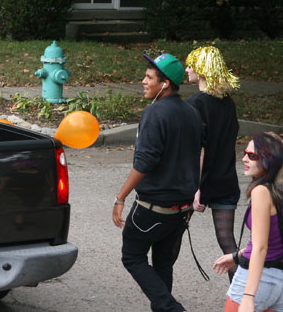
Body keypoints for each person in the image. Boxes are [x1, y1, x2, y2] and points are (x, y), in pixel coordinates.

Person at [113, 53, 204, 312]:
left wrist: (120, 197)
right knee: (163, 264)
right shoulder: (192, 112)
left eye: (149, 78)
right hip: (181, 209)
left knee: (132, 256)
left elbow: (144, 162)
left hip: (153, 208)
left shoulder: (154, 112)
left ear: (164, 84)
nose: (143, 81)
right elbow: (201, 153)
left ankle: (172, 308)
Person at [186, 46, 241, 281]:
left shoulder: (195, 103)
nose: (187, 69)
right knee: (228, 243)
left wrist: (196, 188)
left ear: (201, 70)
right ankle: (242, 296)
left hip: (201, 182)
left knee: (171, 235)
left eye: (191, 65)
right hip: (226, 181)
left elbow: (199, 149)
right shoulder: (228, 103)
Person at [213, 132, 283, 312]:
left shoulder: (261, 192)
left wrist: (248, 296)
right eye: (245, 153)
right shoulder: (279, 192)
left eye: (252, 156)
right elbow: (274, 239)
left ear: (269, 160)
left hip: (258, 280)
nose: (244, 158)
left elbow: (261, 247)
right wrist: (236, 256)